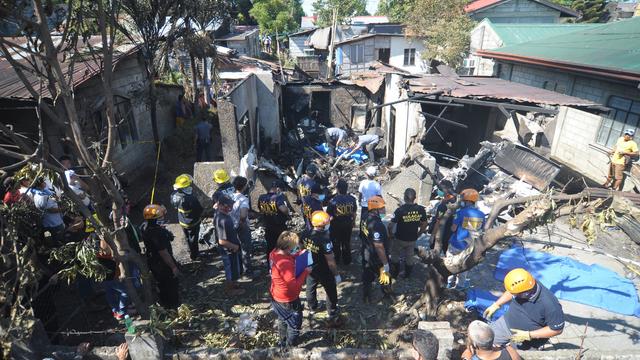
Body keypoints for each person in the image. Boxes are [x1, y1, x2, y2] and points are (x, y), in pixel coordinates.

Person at [484, 268, 564, 350]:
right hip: (506, 323)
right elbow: (512, 291)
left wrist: (529, 335)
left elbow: (557, 330)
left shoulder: (550, 305)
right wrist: (497, 304)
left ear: (526, 293)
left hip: (528, 341)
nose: (512, 295)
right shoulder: (525, 285)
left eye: (515, 294)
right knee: (484, 342)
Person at [269, 231, 312, 347]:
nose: (296, 248)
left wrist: (297, 255)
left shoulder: (274, 253)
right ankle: (289, 346)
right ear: (288, 247)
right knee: (294, 324)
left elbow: (288, 256)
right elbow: (294, 285)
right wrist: (305, 272)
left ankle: (282, 341)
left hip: (276, 295)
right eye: (294, 246)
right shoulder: (285, 264)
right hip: (288, 299)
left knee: (282, 318)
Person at [302, 211, 341, 321]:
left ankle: (312, 307)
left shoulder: (306, 233)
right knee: (330, 289)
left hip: (310, 266)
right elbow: (330, 260)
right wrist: (336, 274)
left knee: (310, 287)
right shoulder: (324, 239)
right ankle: (332, 310)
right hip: (324, 268)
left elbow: (302, 248)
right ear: (322, 224)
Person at [141, 204, 181, 309]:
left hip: (152, 260)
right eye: (161, 216)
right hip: (162, 263)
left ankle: (165, 302)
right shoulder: (158, 234)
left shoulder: (144, 227)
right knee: (170, 284)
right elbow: (163, 252)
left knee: (161, 283)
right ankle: (172, 306)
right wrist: (173, 267)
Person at [447, 188, 486, 288]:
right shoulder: (482, 215)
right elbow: (482, 229)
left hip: (456, 244)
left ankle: (449, 283)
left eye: (463, 200)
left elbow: (452, 229)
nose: (462, 202)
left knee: (450, 264)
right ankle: (460, 286)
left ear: (467, 201)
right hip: (469, 247)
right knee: (464, 266)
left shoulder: (461, 212)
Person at [388, 188, 427, 279]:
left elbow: (390, 225)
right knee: (410, 257)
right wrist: (419, 233)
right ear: (415, 197)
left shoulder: (400, 210)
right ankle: (407, 275)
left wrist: (390, 235)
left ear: (404, 197)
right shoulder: (420, 209)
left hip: (399, 239)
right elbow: (425, 224)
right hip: (412, 239)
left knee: (395, 255)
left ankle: (394, 274)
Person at [361, 196, 392, 302]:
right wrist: (385, 263)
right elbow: (379, 246)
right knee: (384, 274)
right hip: (377, 256)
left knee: (367, 274)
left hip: (366, 250)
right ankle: (386, 292)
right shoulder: (377, 225)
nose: (384, 210)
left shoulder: (365, 216)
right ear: (375, 209)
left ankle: (366, 294)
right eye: (382, 208)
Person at [216, 195, 245, 296]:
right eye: (228, 205)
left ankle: (234, 284)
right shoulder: (222, 220)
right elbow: (221, 240)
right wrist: (235, 247)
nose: (230, 207)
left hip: (231, 248)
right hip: (228, 250)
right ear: (221, 206)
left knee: (234, 267)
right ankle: (230, 290)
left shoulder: (221, 215)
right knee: (230, 269)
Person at [170, 174, 203, 261]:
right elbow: (199, 209)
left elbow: (173, 204)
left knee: (187, 236)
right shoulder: (190, 198)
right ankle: (194, 255)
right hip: (192, 222)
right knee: (193, 238)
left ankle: (190, 250)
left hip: (182, 221)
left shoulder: (174, 195)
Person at [326, 179, 356, 265]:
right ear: (347, 188)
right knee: (346, 242)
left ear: (337, 189)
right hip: (348, 225)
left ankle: (337, 260)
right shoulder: (352, 199)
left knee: (336, 244)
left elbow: (329, 216)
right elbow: (354, 213)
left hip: (336, 226)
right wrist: (353, 222)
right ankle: (347, 260)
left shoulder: (333, 201)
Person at [258, 180, 290, 256]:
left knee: (270, 248)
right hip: (279, 227)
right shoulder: (278, 197)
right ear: (278, 189)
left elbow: (260, 209)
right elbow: (284, 210)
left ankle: (271, 266)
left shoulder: (261, 197)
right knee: (283, 248)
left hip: (268, 227)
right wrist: (287, 210)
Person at [231, 176, 254, 276]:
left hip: (231, 226)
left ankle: (238, 269)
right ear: (244, 187)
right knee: (245, 248)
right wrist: (241, 221)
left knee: (236, 248)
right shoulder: (243, 199)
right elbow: (244, 215)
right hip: (241, 226)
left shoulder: (230, 196)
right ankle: (247, 271)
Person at [32, 177, 65, 246]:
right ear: (39, 185)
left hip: (48, 223)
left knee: (51, 237)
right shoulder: (42, 197)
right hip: (55, 223)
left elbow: (54, 197)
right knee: (60, 239)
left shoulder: (40, 193)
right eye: (43, 182)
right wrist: (64, 209)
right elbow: (51, 210)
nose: (45, 183)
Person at [428, 180, 456, 253]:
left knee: (434, 253)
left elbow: (438, 221)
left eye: (440, 189)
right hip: (451, 233)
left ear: (446, 190)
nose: (439, 190)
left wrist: (432, 236)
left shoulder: (443, 206)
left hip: (442, 234)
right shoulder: (456, 201)